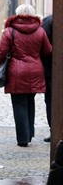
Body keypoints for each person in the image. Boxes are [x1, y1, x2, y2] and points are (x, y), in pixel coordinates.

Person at [0, 4, 52, 147]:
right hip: (36, 69)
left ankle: (23, 138)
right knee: (30, 101)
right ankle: (30, 133)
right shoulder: (40, 31)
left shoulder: (10, 31)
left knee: (19, 103)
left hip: (16, 70)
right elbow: (48, 51)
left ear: (18, 14)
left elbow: (1, 51)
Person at [40, 14, 53, 142]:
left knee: (50, 101)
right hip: (50, 68)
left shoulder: (48, 21)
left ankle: (54, 130)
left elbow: (43, 46)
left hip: (50, 69)